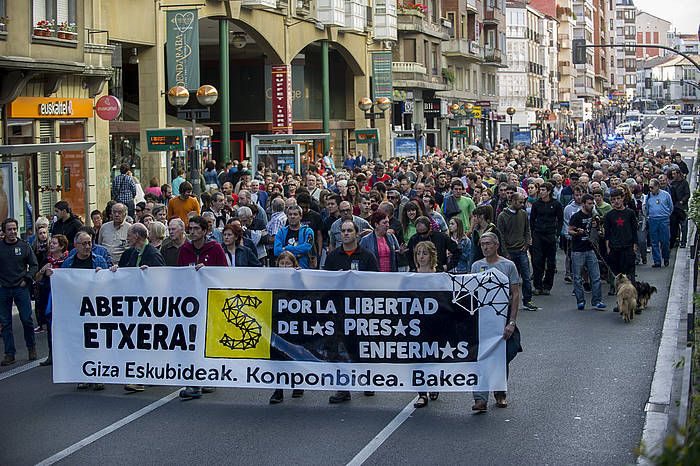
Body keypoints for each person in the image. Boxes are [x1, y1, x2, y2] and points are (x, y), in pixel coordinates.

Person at [324, 220, 379, 404]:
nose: (346, 234)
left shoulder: (367, 256)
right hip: (339, 310)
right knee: (341, 349)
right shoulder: (332, 257)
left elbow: (375, 282)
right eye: (343, 231)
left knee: (361, 347)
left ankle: (367, 380)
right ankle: (343, 388)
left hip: (361, 309)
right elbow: (325, 283)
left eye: (349, 231)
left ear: (357, 233)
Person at [42, 231, 109, 373]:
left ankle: (98, 374)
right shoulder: (69, 262)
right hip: (76, 309)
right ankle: (82, 375)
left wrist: (106, 273)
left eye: (89, 243)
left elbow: (108, 283)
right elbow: (63, 284)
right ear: (76, 245)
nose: (87, 246)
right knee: (79, 343)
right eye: (83, 243)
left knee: (96, 342)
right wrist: (53, 276)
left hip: (95, 308)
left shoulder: (99, 260)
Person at [470, 232, 522, 412]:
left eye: (488, 244)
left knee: (501, 357)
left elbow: (515, 294)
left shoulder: (508, 266)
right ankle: (480, 398)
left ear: (496, 245)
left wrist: (512, 321)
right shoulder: (476, 266)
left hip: (502, 317)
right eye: (482, 244)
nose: (485, 247)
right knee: (481, 357)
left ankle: (500, 392)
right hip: (482, 319)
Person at [177, 215, 227, 400]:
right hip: (191, 304)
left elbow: (224, 274)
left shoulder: (215, 249)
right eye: (191, 228)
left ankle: (210, 376)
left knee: (210, 341)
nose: (193, 232)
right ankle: (194, 381)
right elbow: (179, 275)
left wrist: (207, 271)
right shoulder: (185, 249)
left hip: (211, 302)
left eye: (197, 228)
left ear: (205, 231)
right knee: (193, 341)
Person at [0, 218, 39, 366]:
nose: (13, 232)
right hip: (3, 288)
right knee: (5, 323)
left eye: (15, 229)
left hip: (20, 287)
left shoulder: (24, 246)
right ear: (4, 231)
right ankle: (9, 353)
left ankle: (31, 348)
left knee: (27, 319)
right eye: (9, 229)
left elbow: (34, 265)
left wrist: (27, 279)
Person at [269, 251, 306, 404]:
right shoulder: (271, 280)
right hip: (277, 323)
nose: (284, 267)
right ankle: (279, 389)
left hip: (294, 323)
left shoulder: (299, 280)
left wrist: (301, 277)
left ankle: (297, 382)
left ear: (294, 265)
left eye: (288, 264)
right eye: (282, 264)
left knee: (294, 352)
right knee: (277, 354)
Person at [497, 193, 537, 311]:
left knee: (526, 276)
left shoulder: (523, 214)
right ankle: (507, 301)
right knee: (509, 279)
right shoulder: (502, 216)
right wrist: (505, 252)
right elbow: (501, 236)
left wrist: (527, 243)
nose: (522, 204)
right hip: (509, 251)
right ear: (513, 201)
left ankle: (527, 300)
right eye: (520, 202)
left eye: (523, 202)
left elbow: (527, 229)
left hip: (522, 250)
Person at [413, 241, 440, 408]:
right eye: (418, 253)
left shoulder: (439, 276)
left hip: (435, 324)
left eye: (424, 253)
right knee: (418, 358)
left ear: (431, 256)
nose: (421, 257)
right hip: (416, 325)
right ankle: (422, 393)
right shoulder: (410, 276)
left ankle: (435, 383)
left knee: (433, 357)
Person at [568, 194, 606, 311]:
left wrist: (597, 229)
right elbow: (569, 230)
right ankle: (580, 301)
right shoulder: (576, 216)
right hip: (578, 250)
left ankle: (597, 300)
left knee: (595, 276)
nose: (591, 205)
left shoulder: (593, 215)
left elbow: (598, 230)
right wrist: (577, 232)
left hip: (590, 249)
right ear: (583, 204)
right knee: (578, 277)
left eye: (592, 203)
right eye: (589, 203)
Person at [530, 182, 563, 296]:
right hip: (538, 234)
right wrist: (533, 233)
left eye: (544, 190)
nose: (541, 192)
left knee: (551, 262)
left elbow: (560, 220)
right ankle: (537, 286)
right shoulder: (536, 204)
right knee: (537, 261)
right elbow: (532, 219)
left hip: (550, 234)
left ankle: (547, 285)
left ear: (549, 191)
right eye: (540, 190)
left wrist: (557, 234)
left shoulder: (556, 204)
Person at [603, 189, 638, 285]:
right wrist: (608, 247)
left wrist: (635, 244)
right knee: (616, 270)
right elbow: (607, 233)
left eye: (618, 198)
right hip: (615, 246)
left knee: (629, 271)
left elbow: (634, 230)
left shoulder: (630, 213)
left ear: (623, 198)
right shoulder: (609, 215)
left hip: (628, 246)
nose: (616, 201)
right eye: (614, 199)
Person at [646, 178, 673, 268]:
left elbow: (670, 206)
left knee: (665, 241)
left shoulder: (666, 195)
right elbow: (646, 208)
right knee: (654, 242)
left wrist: (667, 215)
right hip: (653, 220)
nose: (650, 189)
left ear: (657, 186)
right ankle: (657, 261)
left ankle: (665, 257)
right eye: (649, 187)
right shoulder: (648, 196)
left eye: (652, 187)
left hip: (663, 219)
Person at [669, 168, 690, 249]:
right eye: (672, 174)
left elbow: (687, 194)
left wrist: (682, 201)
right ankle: (675, 240)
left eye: (674, 174)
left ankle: (683, 241)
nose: (673, 176)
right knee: (674, 225)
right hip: (674, 207)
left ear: (678, 174)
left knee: (684, 225)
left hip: (682, 207)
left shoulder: (684, 183)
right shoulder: (672, 183)